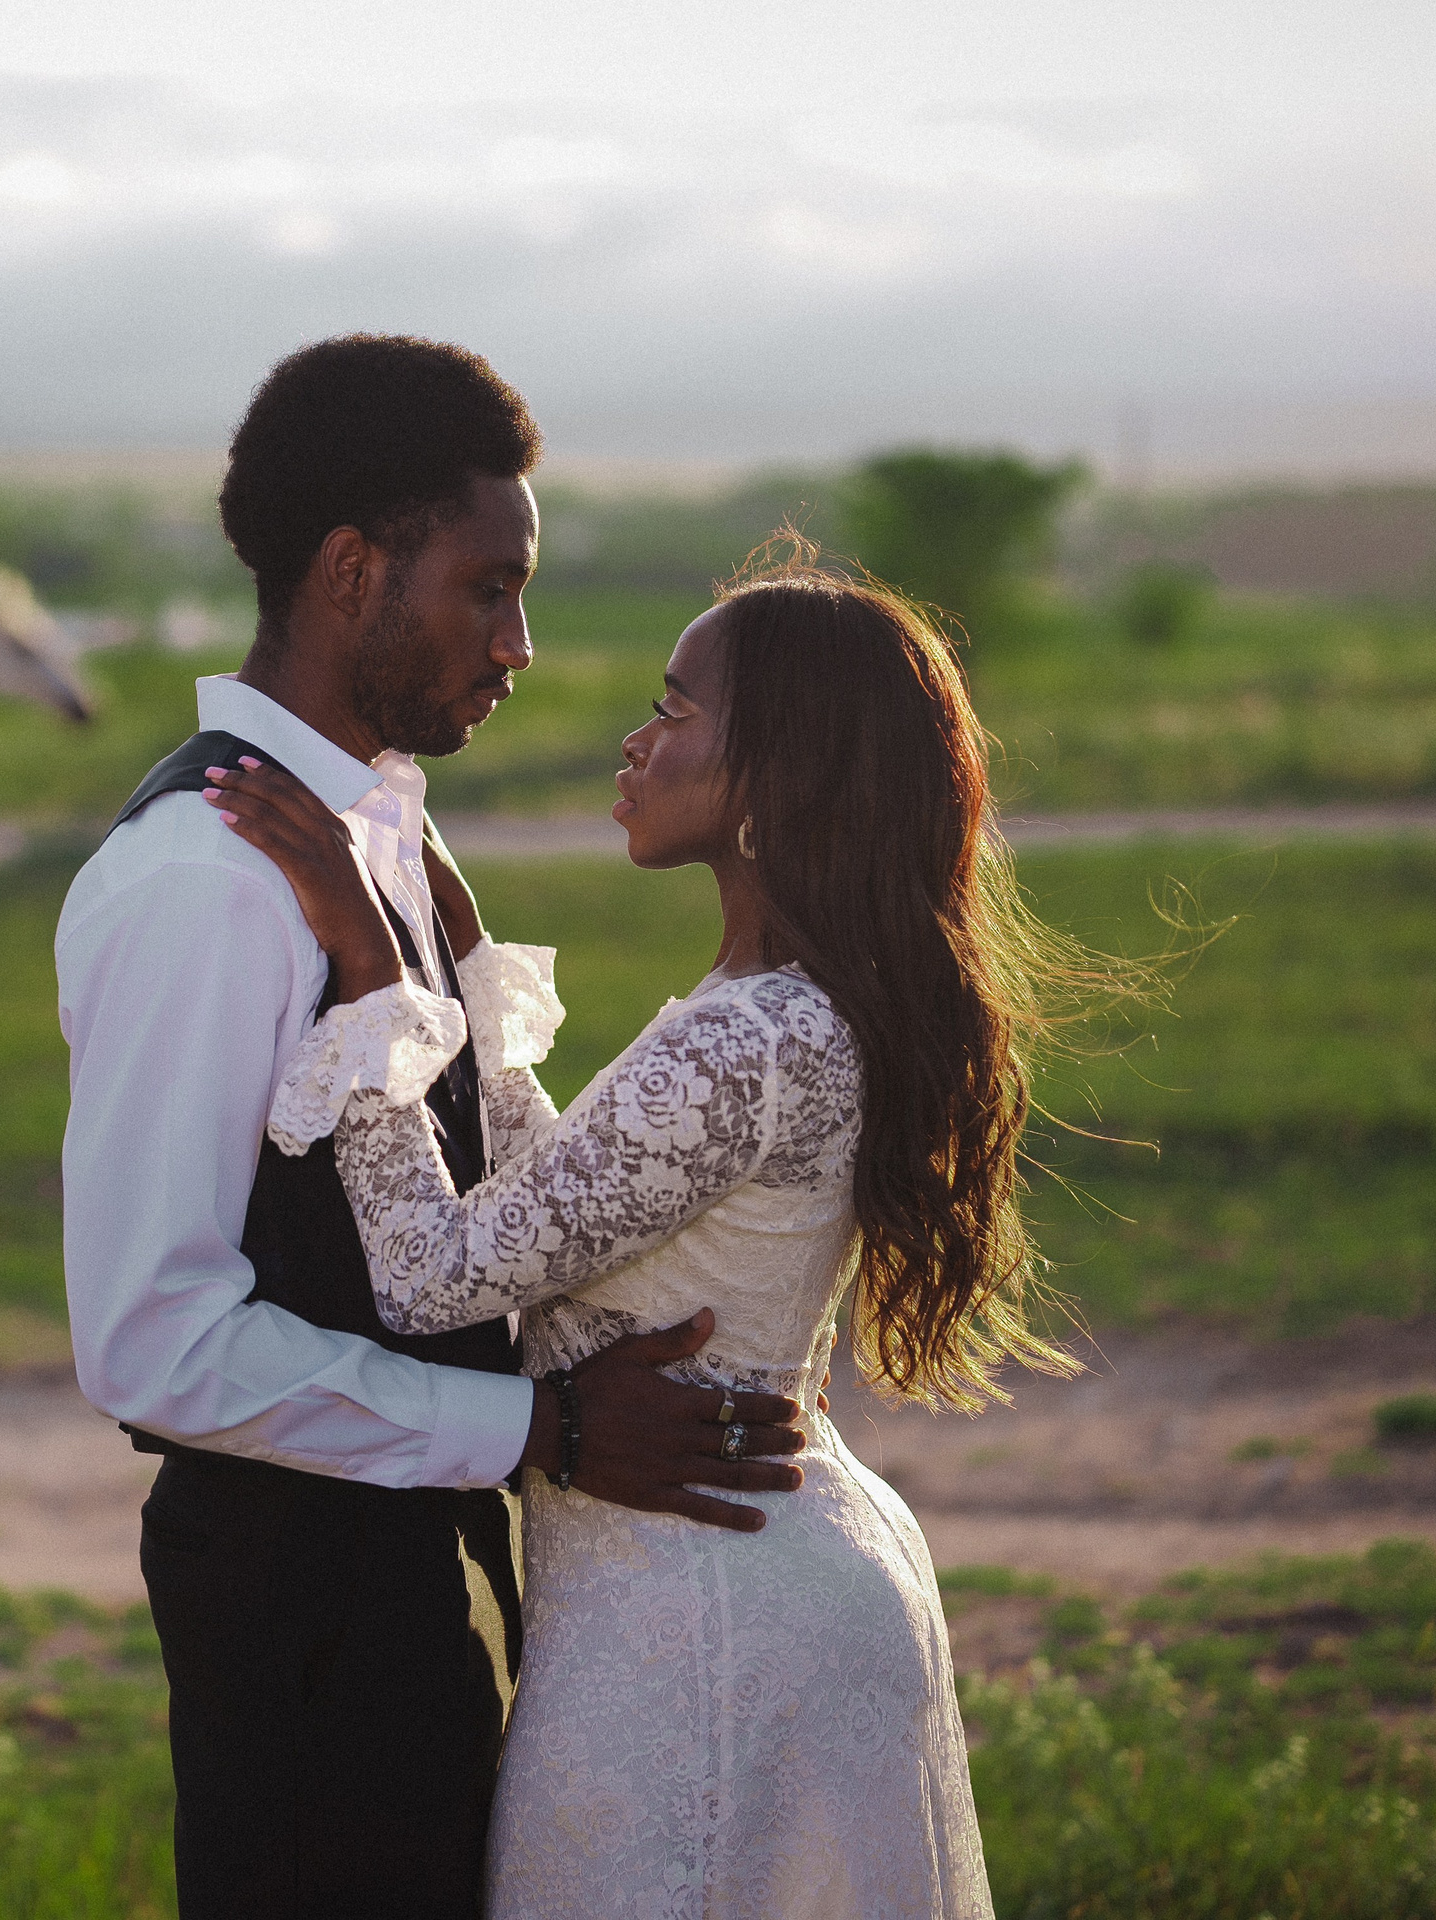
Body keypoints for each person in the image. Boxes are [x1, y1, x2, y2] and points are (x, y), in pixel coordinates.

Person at [200, 548, 1121, 1915]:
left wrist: (373, 984)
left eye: (675, 709)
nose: (639, 738)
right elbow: (573, 1216)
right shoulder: (779, 1007)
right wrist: (468, 987)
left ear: (779, 774)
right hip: (753, 1577)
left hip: (701, 1625)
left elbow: (434, 1272)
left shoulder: (746, 1038)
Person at [54, 335, 808, 1920]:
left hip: (412, 1561)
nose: (523, 644)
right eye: (488, 587)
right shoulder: (207, 881)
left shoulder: (375, 831)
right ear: (351, 572)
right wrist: (541, 1434)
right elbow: (153, 1341)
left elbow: (468, 1177)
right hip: (298, 1604)